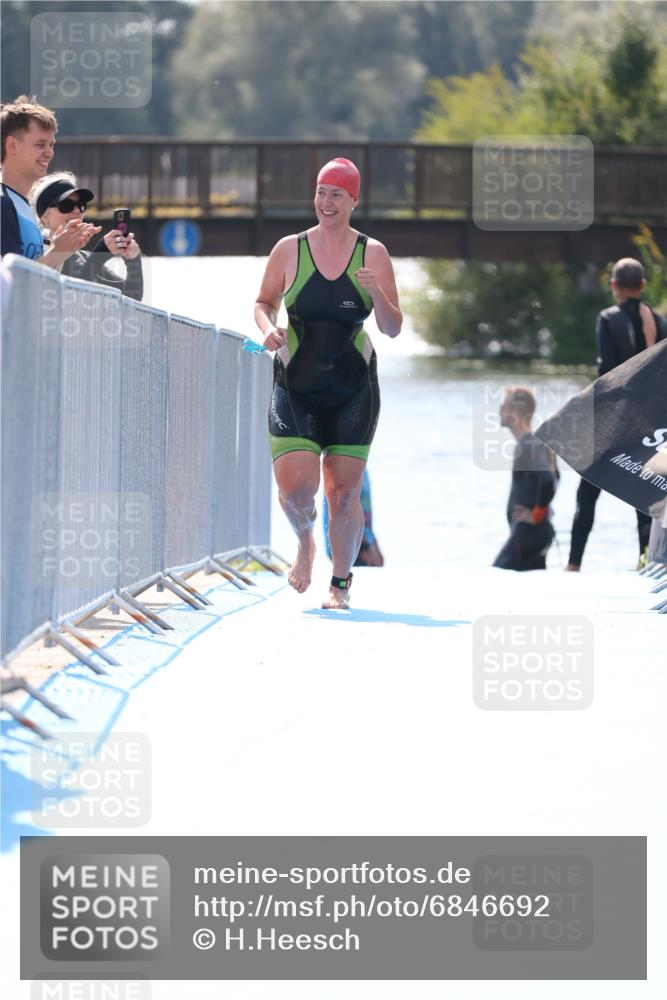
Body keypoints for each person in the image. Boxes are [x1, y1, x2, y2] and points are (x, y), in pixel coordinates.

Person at [254, 157, 401, 608]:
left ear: (354, 200)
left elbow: (393, 327)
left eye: (337, 193)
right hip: (296, 384)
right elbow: (263, 302)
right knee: (296, 490)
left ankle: (340, 582)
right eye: (321, 192)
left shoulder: (372, 253)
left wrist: (375, 290)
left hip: (352, 390)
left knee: (344, 493)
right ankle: (305, 543)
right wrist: (267, 328)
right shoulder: (289, 249)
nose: (326, 202)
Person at [565, 257, 666, 571]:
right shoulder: (660, 322)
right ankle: (647, 561)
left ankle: (573, 565)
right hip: (648, 420)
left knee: (588, 489)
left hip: (613, 419)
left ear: (614, 287)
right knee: (644, 492)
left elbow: (606, 372)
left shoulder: (607, 318)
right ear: (643, 285)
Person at [0, 95, 95, 268]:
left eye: (51, 145)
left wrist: (63, 251)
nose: (49, 153)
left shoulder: (22, 206)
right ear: (12, 145)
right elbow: (10, 281)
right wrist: (58, 252)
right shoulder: (3, 203)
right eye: (40, 144)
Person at [30, 171, 144, 300]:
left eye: (81, 205)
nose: (77, 211)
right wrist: (101, 252)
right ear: (45, 217)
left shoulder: (83, 257)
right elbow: (74, 299)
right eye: (66, 205)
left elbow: (132, 298)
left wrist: (133, 259)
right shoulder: (37, 251)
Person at [493, 386, 558, 571]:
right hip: (536, 533)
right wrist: (543, 512)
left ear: (516, 412)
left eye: (503, 406)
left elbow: (548, 480)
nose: (499, 410)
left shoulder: (529, 443)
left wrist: (537, 514)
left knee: (495, 578)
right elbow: (556, 478)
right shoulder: (535, 441)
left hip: (528, 533)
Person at [322, 467, 385, 567]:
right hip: (351, 547)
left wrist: (373, 542)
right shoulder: (347, 463)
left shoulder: (360, 464)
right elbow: (344, 505)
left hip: (359, 542)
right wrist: (365, 546)